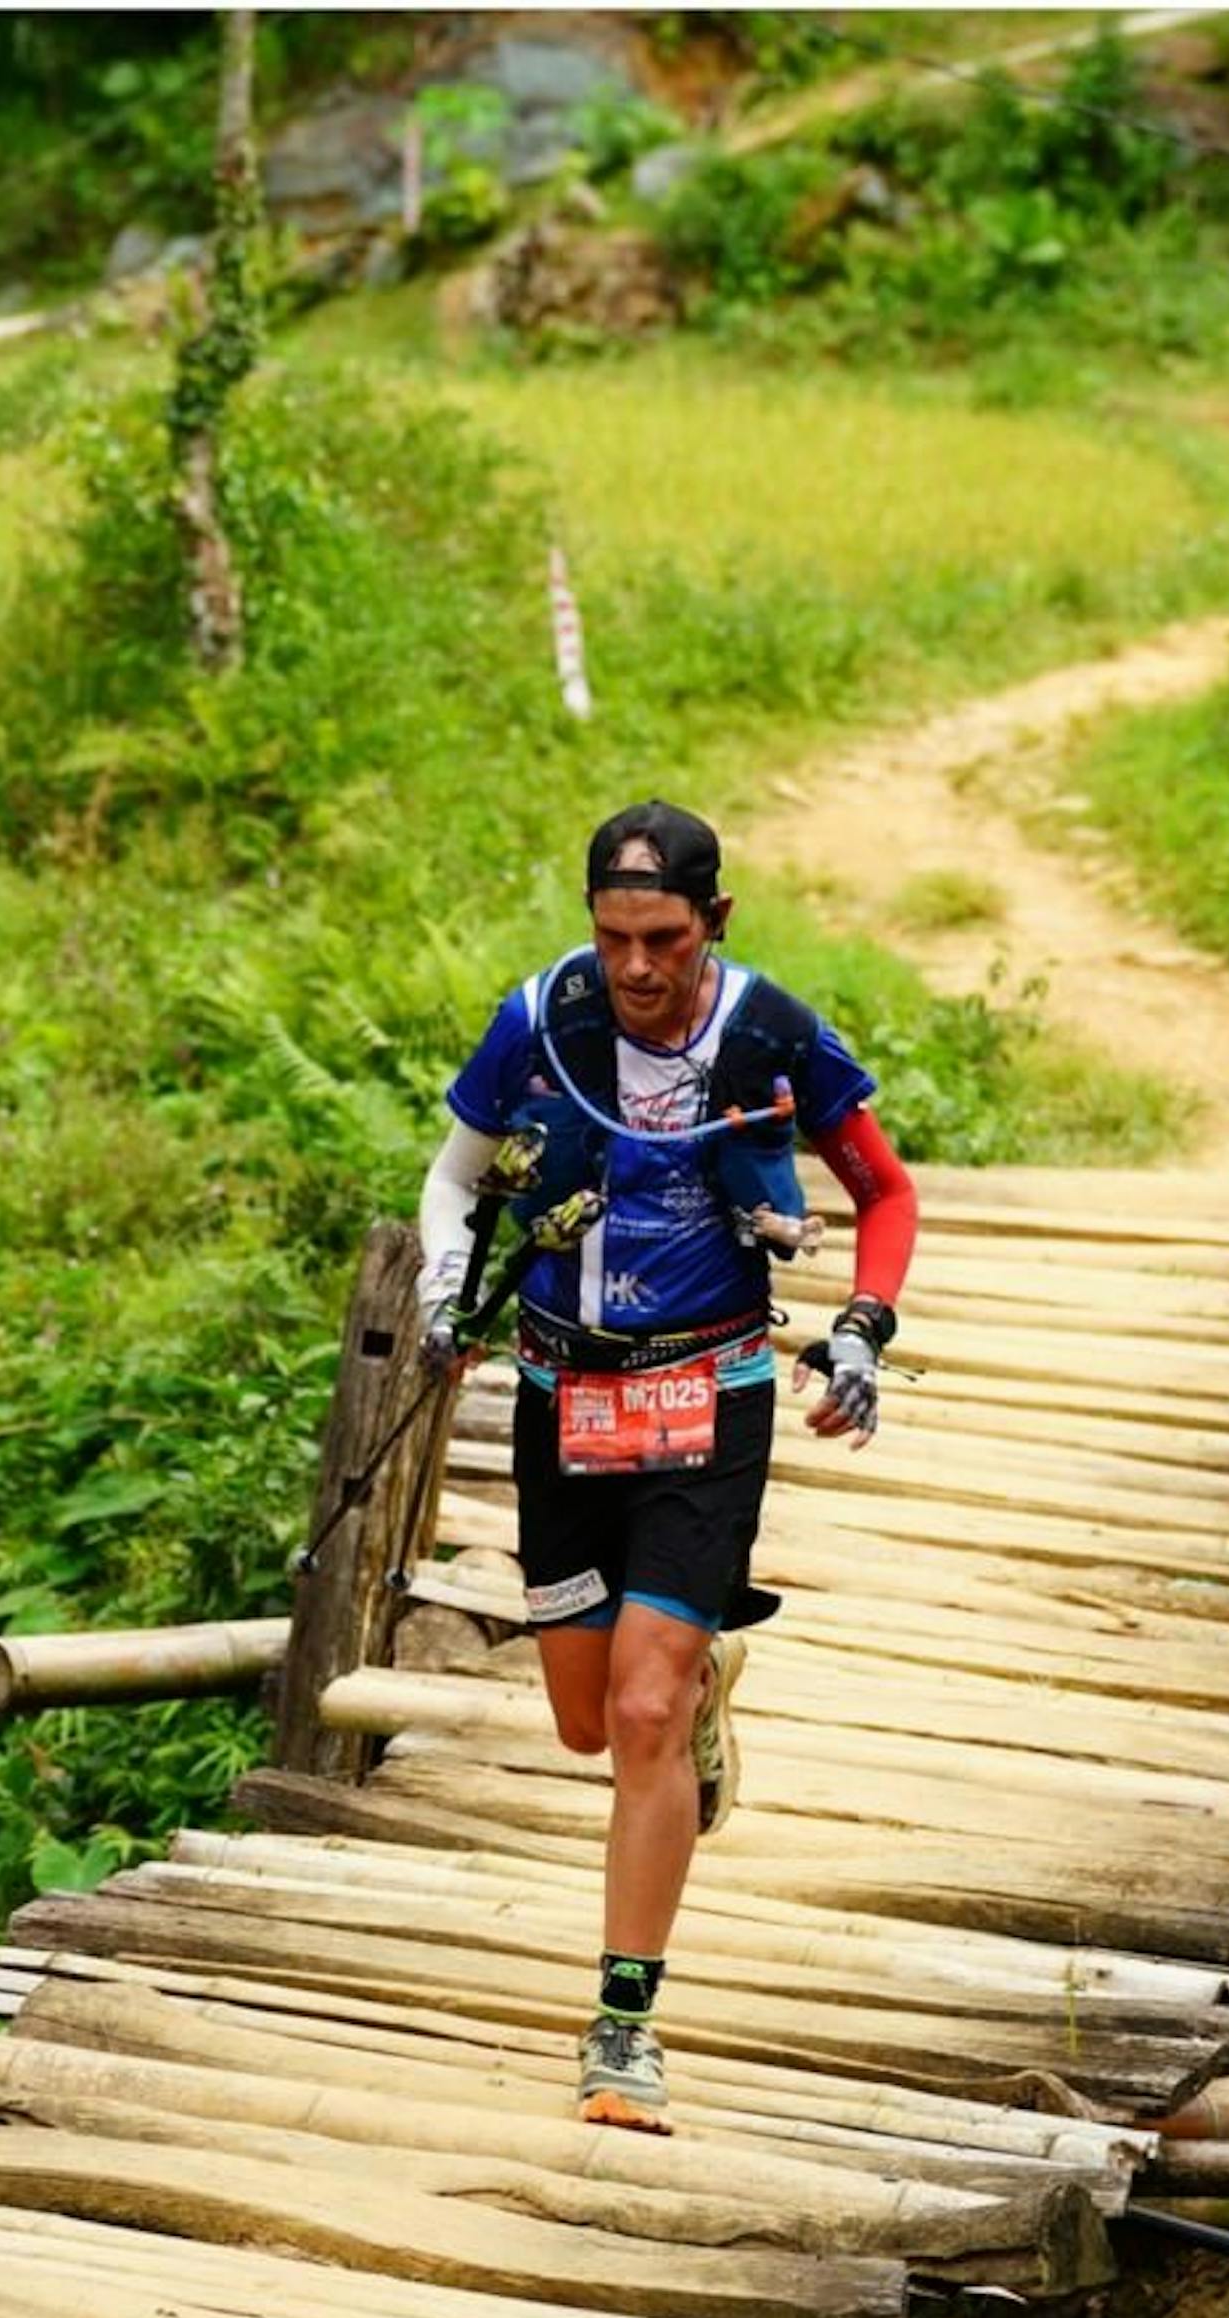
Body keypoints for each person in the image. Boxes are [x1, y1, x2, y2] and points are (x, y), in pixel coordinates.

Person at [417, 799, 917, 2133]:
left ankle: (623, 2030)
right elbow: (456, 1176)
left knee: (640, 1712)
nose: (639, 967)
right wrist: (443, 1281)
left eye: (666, 939)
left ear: (716, 923)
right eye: (615, 936)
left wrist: (861, 1331)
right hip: (561, 1393)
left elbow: (886, 1192)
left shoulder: (767, 1031)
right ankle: (697, 1694)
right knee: (589, 1721)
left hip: (712, 1389)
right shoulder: (541, 1018)